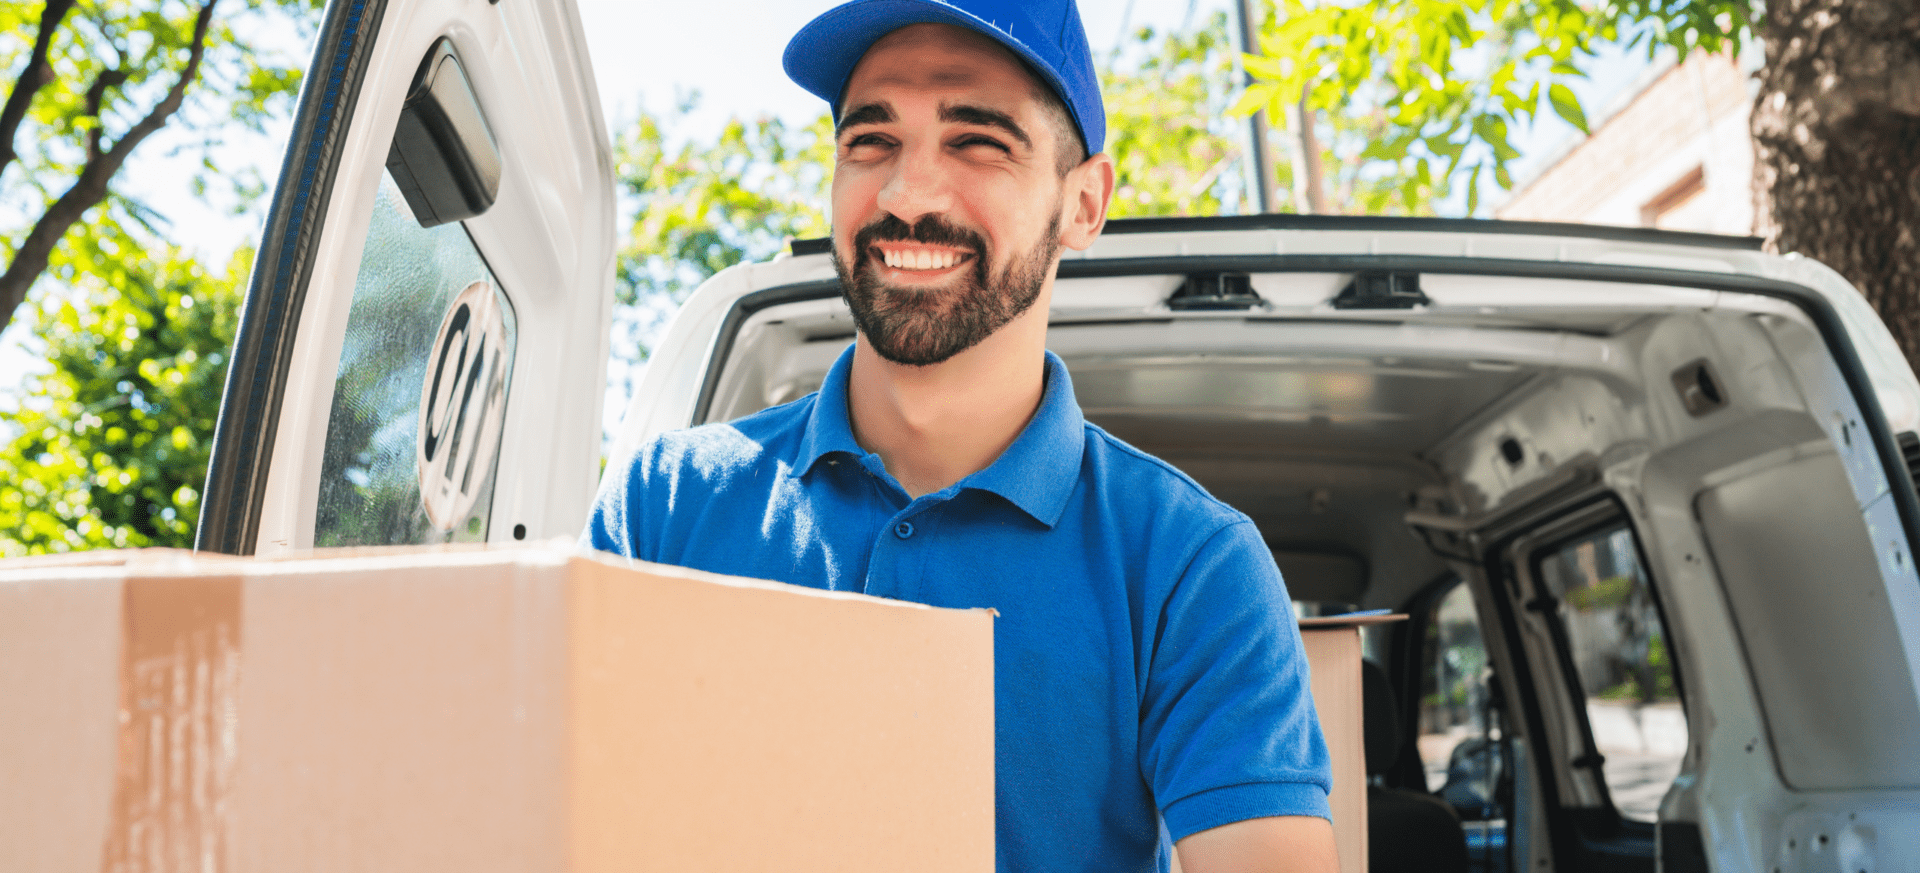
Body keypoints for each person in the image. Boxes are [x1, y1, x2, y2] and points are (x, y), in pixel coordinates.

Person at [583, 0, 1338, 869]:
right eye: (871, 141)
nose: (908, 195)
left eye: (978, 141)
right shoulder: (663, 508)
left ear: (1084, 203)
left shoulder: (1186, 563)